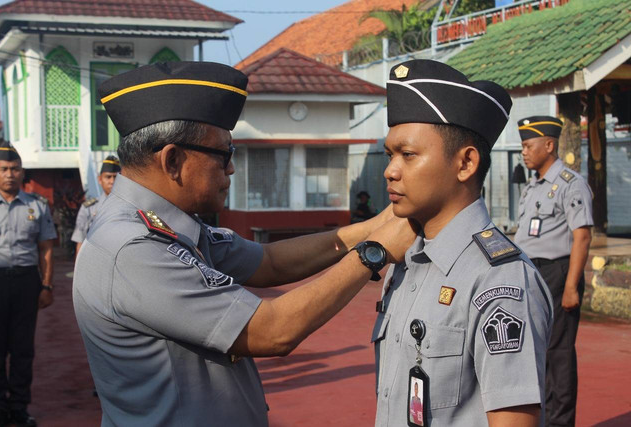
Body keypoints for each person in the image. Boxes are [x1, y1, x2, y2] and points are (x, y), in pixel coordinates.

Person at [72, 61, 417, 426]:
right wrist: (373, 254)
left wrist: (376, 226)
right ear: (173, 160)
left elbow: (269, 262)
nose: (232, 169)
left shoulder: (173, 224)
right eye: (224, 155)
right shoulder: (132, 247)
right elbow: (272, 331)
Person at [372, 60, 553, 427]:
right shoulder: (407, 260)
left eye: (407, 155)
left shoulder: (499, 280)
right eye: (390, 155)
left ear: (466, 163)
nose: (391, 170)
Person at [514, 116, 593, 427]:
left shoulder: (571, 185)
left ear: (549, 145)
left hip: (558, 274)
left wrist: (572, 285)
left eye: (528, 145)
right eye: (522, 146)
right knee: (537, 351)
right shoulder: (533, 186)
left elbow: (582, 236)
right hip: (533, 274)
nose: (524, 152)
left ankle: (561, 422)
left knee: (558, 352)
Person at [0, 141, 57, 427]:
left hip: (26, 282)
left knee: (22, 349)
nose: (10, 174)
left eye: (15, 169)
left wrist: (46, 286)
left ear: (22, 172)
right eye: (4, 169)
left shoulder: (37, 206)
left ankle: (18, 406)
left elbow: (46, 249)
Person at [71, 156, 120, 254]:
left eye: (116, 177)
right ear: (100, 179)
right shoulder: (89, 208)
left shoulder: (131, 206)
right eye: (108, 177)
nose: (112, 181)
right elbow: (80, 241)